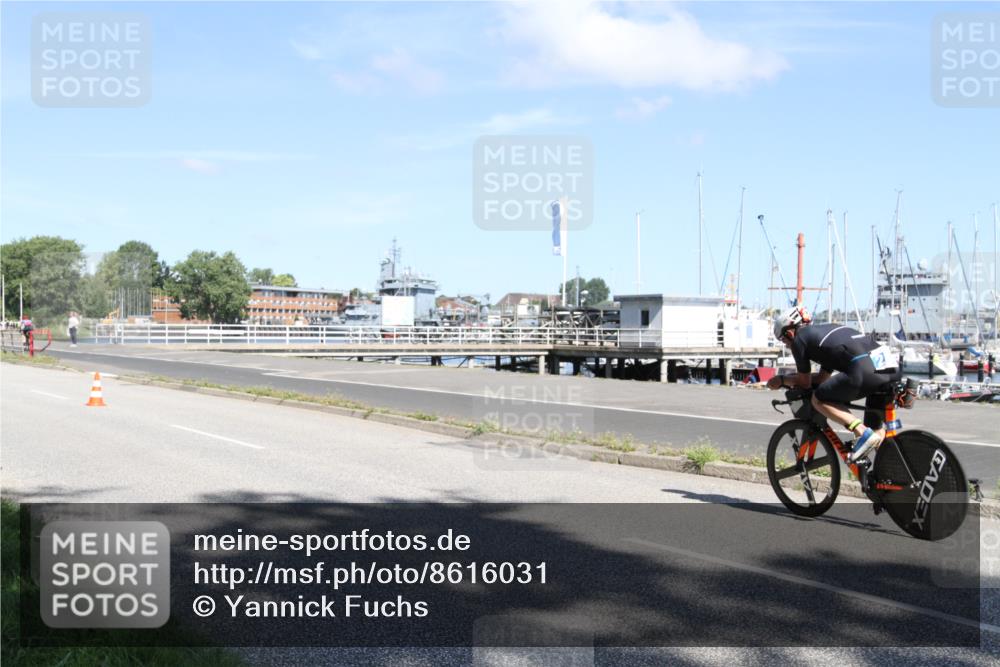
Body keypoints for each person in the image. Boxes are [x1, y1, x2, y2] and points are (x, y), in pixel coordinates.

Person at [766, 306, 902, 462]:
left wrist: (782, 380)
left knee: (818, 399)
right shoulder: (825, 334)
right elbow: (822, 378)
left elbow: (805, 383)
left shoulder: (799, 339)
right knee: (877, 432)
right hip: (889, 368)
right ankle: (891, 473)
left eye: (783, 340)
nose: (786, 345)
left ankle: (863, 432)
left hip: (864, 370)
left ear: (789, 332)